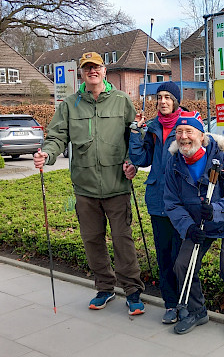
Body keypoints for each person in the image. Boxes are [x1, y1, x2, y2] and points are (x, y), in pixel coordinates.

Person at [33, 52, 146, 315]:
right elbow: (57, 137)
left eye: (96, 67)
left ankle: (132, 290)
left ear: (105, 71)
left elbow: (135, 138)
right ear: (82, 73)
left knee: (122, 240)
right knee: (92, 240)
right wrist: (46, 155)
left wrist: (132, 162)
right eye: (87, 68)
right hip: (84, 188)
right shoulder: (70, 104)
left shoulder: (121, 101)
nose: (92, 71)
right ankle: (105, 287)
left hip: (117, 186)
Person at [163, 111, 224, 341]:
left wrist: (217, 209)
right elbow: (171, 202)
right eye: (179, 132)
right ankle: (197, 311)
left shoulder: (221, 158)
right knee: (182, 264)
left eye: (189, 131)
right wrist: (187, 227)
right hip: (199, 222)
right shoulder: (174, 163)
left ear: (201, 136)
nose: (184, 137)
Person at [128, 82, 183, 324]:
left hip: (182, 201)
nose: (162, 101)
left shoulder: (187, 126)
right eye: (159, 97)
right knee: (163, 255)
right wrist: (135, 133)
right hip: (158, 199)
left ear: (176, 101)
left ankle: (189, 303)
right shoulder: (151, 128)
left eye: (168, 97)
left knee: (181, 256)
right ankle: (171, 304)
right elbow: (140, 159)